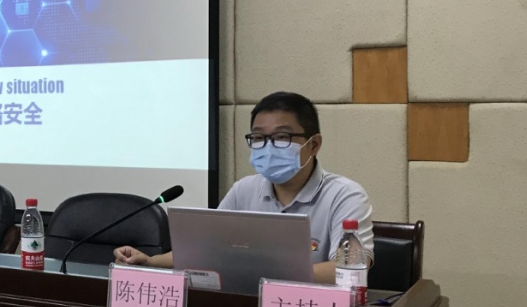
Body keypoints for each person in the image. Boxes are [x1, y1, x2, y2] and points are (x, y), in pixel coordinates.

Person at [114, 91, 373, 284]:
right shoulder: (244, 190)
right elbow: (205, 250)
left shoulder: (345, 195)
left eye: (281, 137)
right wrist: (149, 261)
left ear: (314, 144)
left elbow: (350, 268)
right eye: (259, 138)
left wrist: (263, 275)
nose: (268, 146)